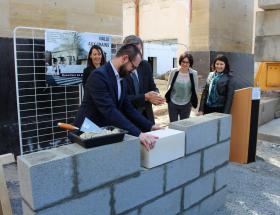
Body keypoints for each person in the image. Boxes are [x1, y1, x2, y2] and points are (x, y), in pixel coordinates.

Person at [74, 44, 159, 150]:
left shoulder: (121, 78)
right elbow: (109, 110)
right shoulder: (99, 76)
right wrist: (139, 134)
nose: (133, 71)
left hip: (104, 132)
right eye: (133, 67)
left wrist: (150, 126)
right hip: (88, 132)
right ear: (124, 58)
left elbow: (127, 107)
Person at [123, 35, 165, 124]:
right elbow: (122, 99)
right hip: (128, 119)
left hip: (147, 116)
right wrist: (145, 97)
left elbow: (152, 86)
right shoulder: (119, 70)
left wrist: (156, 96)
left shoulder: (145, 65)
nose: (138, 54)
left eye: (140, 50)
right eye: (135, 50)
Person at [165, 52, 198, 122]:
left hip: (186, 104)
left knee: (184, 125)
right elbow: (168, 85)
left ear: (190, 63)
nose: (185, 64)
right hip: (173, 103)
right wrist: (168, 100)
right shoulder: (174, 72)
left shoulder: (194, 73)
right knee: (174, 125)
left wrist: (191, 103)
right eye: (183, 62)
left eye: (187, 62)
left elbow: (195, 89)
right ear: (180, 62)